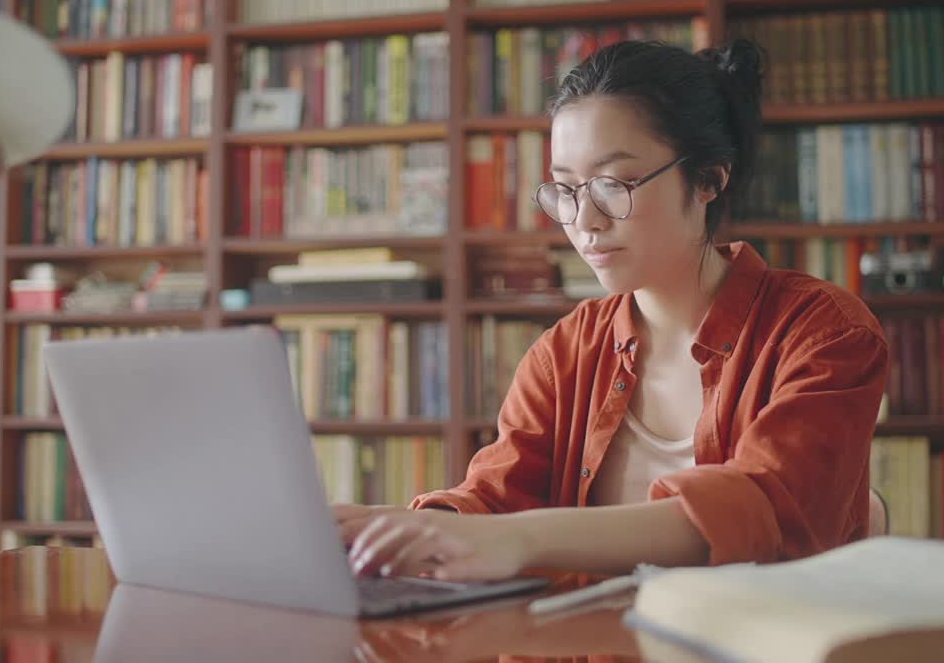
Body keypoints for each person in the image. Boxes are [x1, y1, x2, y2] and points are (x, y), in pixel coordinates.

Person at [336, 38, 888, 582]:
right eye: (566, 189)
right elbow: (494, 498)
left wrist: (520, 538)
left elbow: (765, 510)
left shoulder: (823, 334)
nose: (585, 220)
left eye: (615, 183)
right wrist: (393, 527)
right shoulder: (566, 350)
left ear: (708, 179)